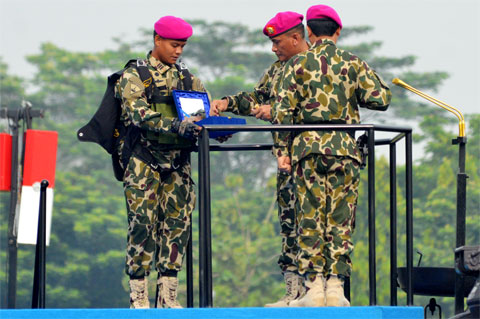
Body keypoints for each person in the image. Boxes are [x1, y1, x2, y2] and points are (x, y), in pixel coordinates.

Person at [272, 5, 392, 307]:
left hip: (307, 150)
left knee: (309, 216)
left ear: (309, 33)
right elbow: (381, 98)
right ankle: (336, 287)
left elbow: (282, 111)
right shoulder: (352, 62)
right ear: (338, 31)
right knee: (340, 218)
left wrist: (281, 151)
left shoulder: (296, 64)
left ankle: (314, 288)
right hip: (344, 150)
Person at [209, 11, 310, 307]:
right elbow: (257, 97)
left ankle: (319, 289)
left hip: (313, 157)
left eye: (277, 41)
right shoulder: (277, 69)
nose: (273, 48)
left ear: (295, 37)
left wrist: (275, 111)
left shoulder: (317, 66)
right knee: (289, 222)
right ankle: (294, 292)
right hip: (285, 160)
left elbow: (324, 109)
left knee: (316, 226)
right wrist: (227, 102)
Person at [114, 16, 206, 309]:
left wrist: (212, 129)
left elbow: (202, 111)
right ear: (157, 40)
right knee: (142, 224)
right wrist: (177, 126)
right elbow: (138, 114)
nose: (178, 51)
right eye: (173, 45)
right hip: (145, 161)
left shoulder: (188, 78)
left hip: (178, 162)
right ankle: (139, 294)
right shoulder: (134, 75)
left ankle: (168, 294)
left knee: (178, 226)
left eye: (182, 46)